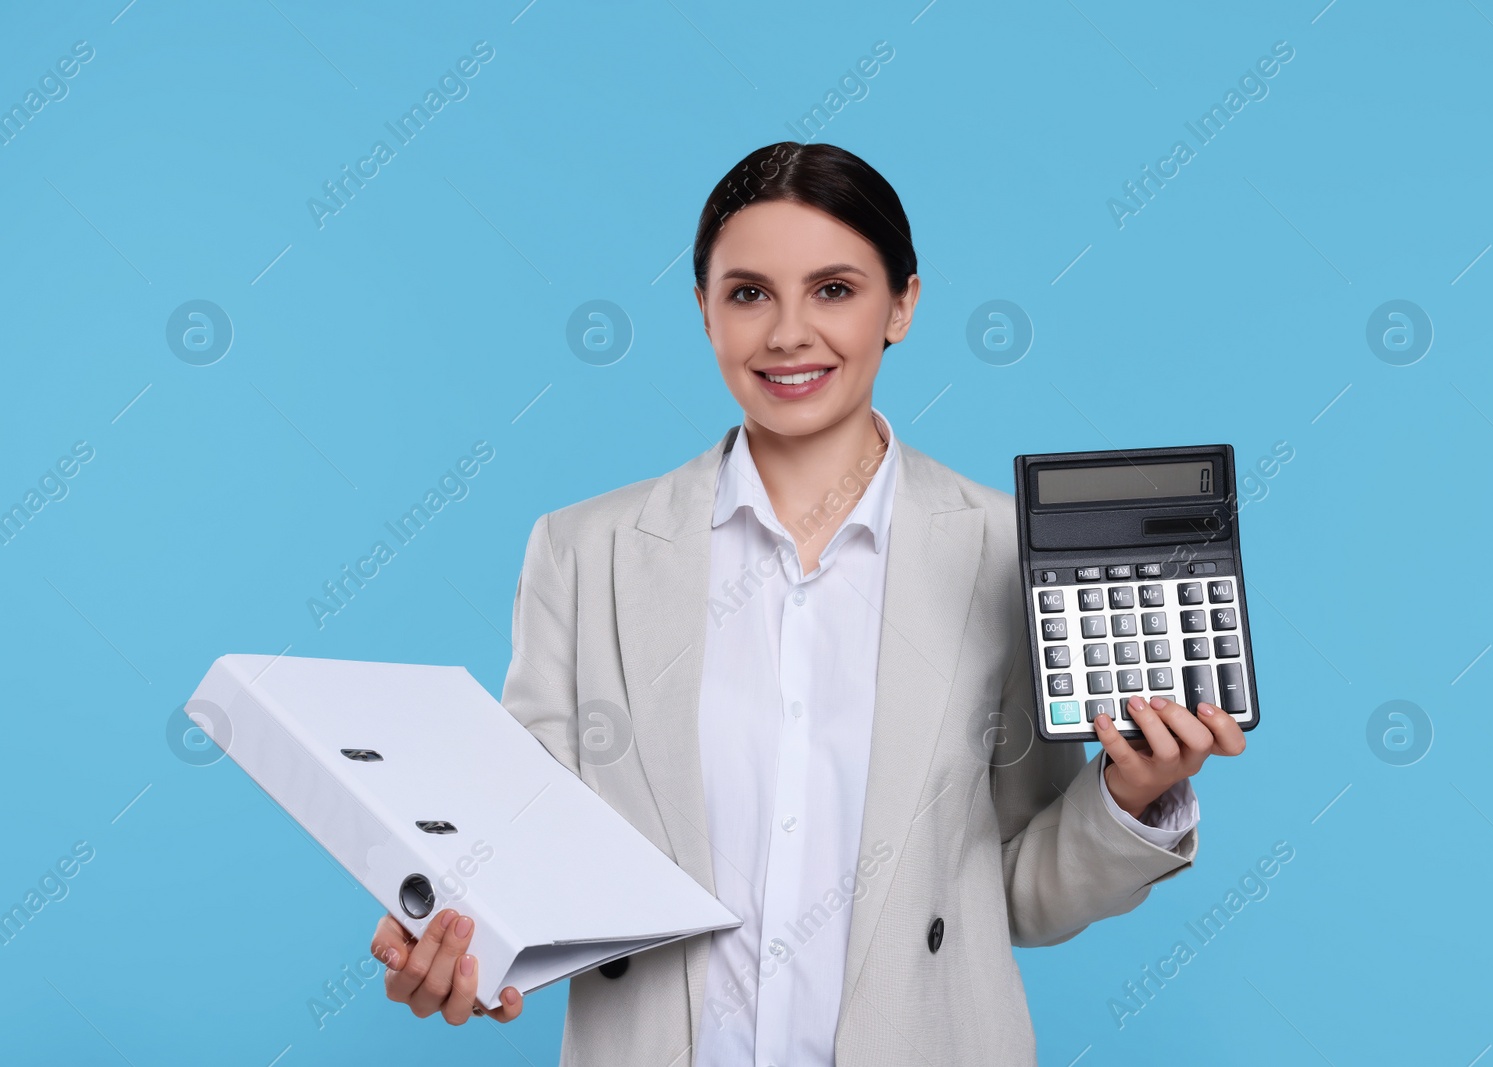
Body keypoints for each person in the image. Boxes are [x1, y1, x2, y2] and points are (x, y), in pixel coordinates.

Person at [369, 141, 1246, 1064]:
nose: (789, 333)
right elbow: (527, 841)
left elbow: (1015, 895)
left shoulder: (1004, 553)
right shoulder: (583, 551)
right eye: (749, 293)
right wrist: (448, 928)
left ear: (902, 304)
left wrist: (1132, 793)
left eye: (834, 289)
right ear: (704, 309)